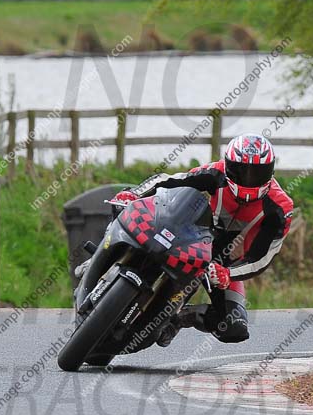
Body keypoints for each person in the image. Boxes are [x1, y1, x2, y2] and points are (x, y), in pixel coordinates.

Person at [111, 133, 295, 345]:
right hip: (192, 236)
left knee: (234, 327)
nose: (248, 179)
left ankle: (180, 318)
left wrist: (228, 273)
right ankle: (102, 256)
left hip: (225, 263)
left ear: (270, 171)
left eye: (257, 173)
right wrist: (135, 194)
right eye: (241, 170)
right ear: (228, 166)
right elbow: (171, 180)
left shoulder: (281, 208)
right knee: (124, 206)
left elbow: (261, 258)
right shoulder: (216, 172)